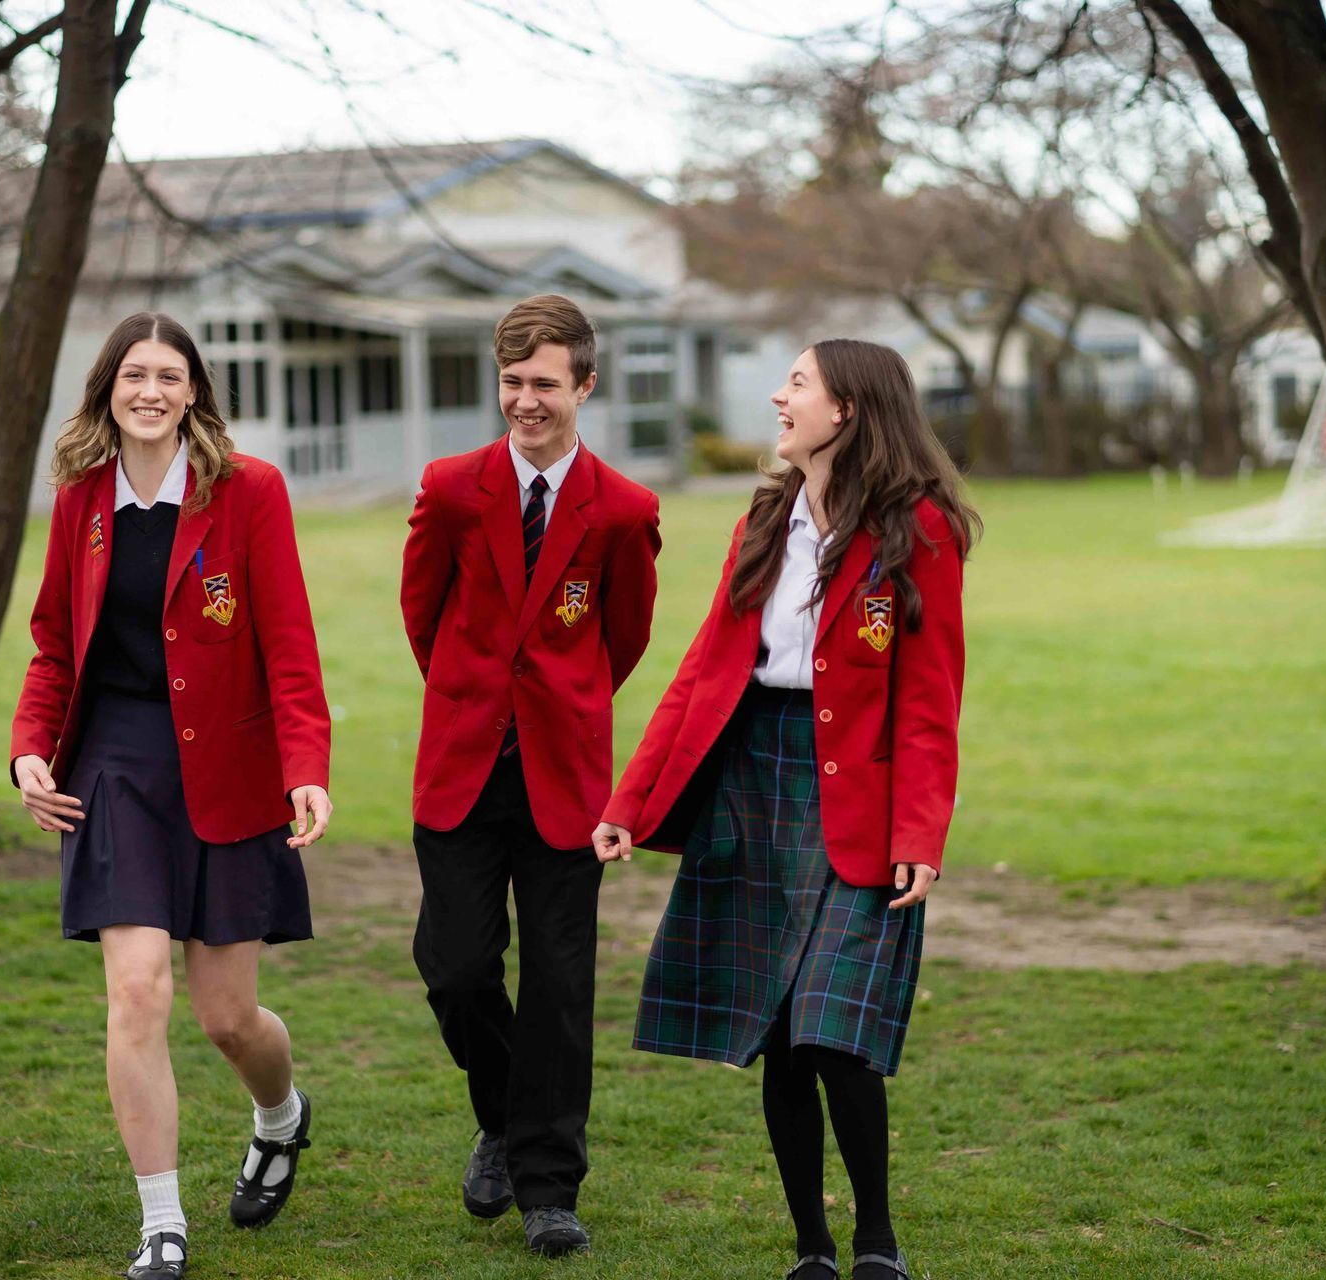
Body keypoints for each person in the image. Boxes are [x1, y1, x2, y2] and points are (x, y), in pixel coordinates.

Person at [593, 339, 976, 1280]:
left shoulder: (918, 528)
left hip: (862, 800)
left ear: (847, 408)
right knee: (778, 1035)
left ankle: (877, 1241)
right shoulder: (765, 516)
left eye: (797, 383)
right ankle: (811, 1246)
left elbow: (931, 701)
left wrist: (921, 834)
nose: (778, 396)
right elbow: (701, 671)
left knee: (833, 1032)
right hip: (752, 784)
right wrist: (630, 802)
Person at [9, 312, 333, 1280]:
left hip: (229, 764)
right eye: (134, 373)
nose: (150, 390)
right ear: (109, 385)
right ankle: (162, 1222)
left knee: (228, 1016)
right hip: (115, 760)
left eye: (170, 374)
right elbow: (55, 647)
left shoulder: (250, 492)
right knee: (136, 989)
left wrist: (304, 763)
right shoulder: (79, 497)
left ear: (195, 391)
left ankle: (280, 1114)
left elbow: (289, 645)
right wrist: (31, 748)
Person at [400, 294, 661, 1257]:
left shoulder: (626, 511)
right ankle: (506, 1118)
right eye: (512, 383)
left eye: (545, 385)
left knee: (559, 985)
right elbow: (423, 617)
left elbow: (622, 639)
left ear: (584, 386)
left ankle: (549, 1186)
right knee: (458, 971)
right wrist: (480, 703)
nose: (525, 402)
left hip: (565, 779)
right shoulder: (450, 487)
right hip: (462, 768)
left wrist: (561, 707)